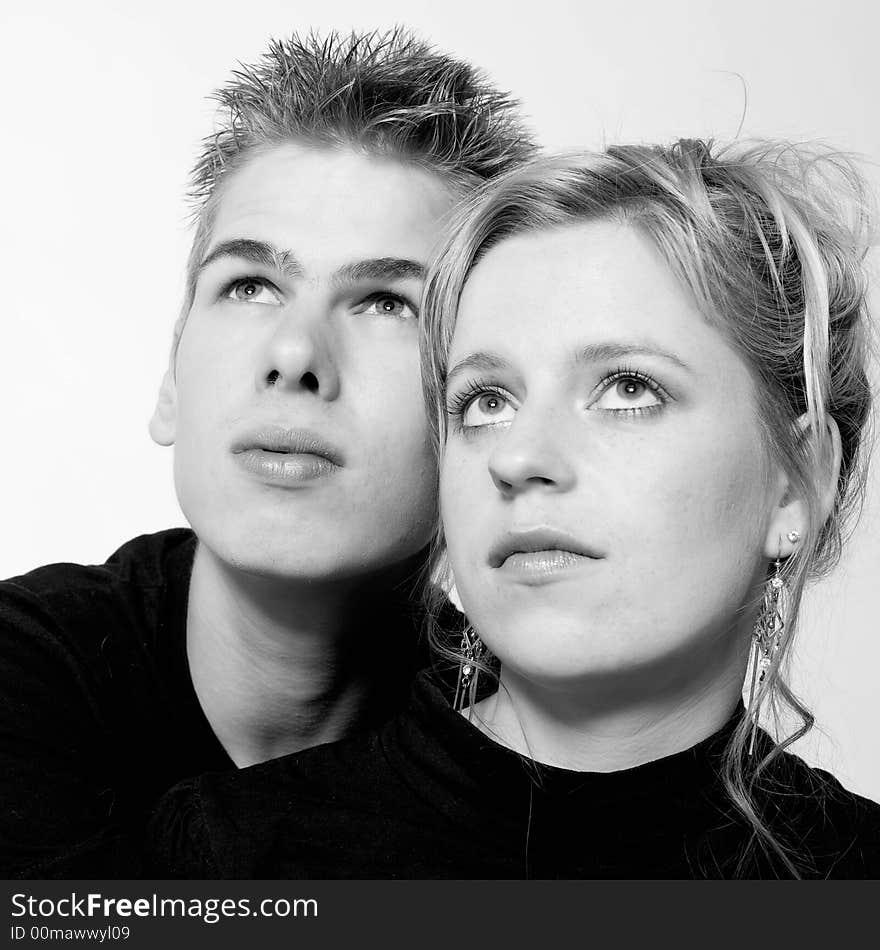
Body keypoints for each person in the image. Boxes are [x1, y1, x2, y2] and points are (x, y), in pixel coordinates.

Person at [149, 138, 880, 878]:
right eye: (485, 402)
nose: (520, 456)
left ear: (798, 482)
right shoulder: (238, 853)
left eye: (628, 389)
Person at [0, 29, 533, 878]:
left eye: (387, 303)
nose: (295, 352)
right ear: (172, 376)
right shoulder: (23, 675)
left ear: (483, 410)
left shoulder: (541, 735)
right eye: (251, 286)